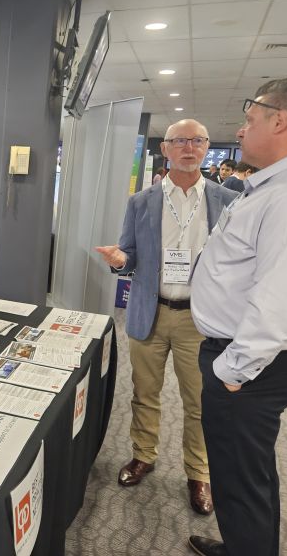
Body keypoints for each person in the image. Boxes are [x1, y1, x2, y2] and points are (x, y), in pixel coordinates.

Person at [188, 77, 287, 556]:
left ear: (280, 121)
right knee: (246, 471)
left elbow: (279, 297)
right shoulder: (278, 185)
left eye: (250, 119)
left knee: (240, 480)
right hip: (254, 357)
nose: (241, 129)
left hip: (254, 363)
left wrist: (233, 371)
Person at [95, 119, 238, 516]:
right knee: (145, 392)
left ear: (207, 147)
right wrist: (120, 260)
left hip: (200, 319)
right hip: (150, 312)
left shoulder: (228, 200)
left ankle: (199, 473)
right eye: (179, 141)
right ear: (166, 149)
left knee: (199, 401)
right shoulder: (141, 202)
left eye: (197, 140)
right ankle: (143, 455)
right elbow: (129, 255)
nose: (189, 148)